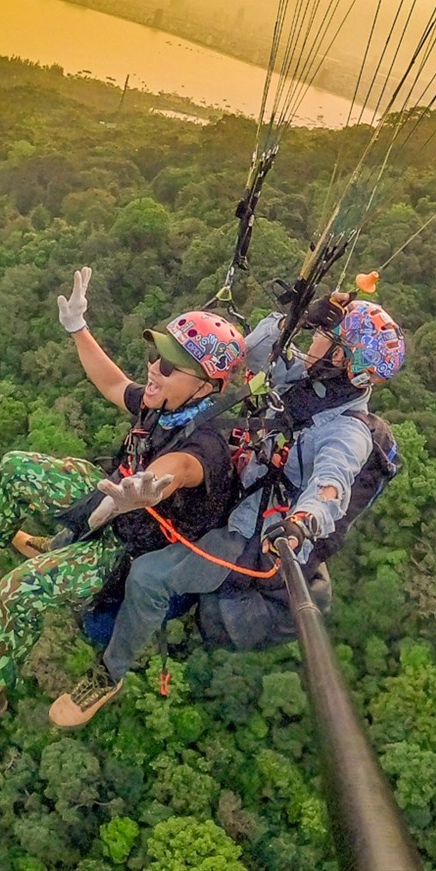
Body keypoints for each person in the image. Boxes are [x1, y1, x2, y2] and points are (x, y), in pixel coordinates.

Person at [0, 268, 245, 749]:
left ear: (206, 386)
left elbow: (181, 468)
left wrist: (150, 489)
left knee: (18, 591)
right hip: (110, 497)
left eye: (170, 367)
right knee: (15, 467)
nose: (154, 369)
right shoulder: (163, 403)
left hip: (128, 543)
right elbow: (114, 384)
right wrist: (78, 329)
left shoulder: (208, 441)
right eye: (156, 356)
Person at [48, 292, 406, 729]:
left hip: (249, 530)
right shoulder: (302, 379)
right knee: (131, 502)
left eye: (323, 338)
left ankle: (109, 672)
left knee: (149, 576)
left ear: (340, 360)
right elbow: (245, 353)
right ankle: (59, 547)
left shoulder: (346, 432)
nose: (311, 342)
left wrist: (302, 523)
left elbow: (332, 483)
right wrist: (296, 315)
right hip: (232, 484)